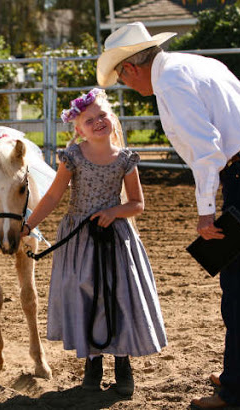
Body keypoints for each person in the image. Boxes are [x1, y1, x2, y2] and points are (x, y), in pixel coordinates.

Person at [96, 22, 240, 409]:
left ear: (131, 67)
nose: (127, 85)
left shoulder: (170, 82)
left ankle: (238, 390)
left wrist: (206, 213)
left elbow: (206, 151)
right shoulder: (197, 64)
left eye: (123, 77)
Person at [21, 87, 167, 396]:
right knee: (84, 294)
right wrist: (29, 225)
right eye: (89, 120)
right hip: (80, 239)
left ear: (112, 117)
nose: (98, 122)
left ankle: (123, 364)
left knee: (118, 295)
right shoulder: (73, 157)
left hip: (115, 239)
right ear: (79, 130)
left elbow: (137, 204)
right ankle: (93, 363)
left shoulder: (125, 159)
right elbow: (53, 196)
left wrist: (114, 212)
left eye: (102, 115)